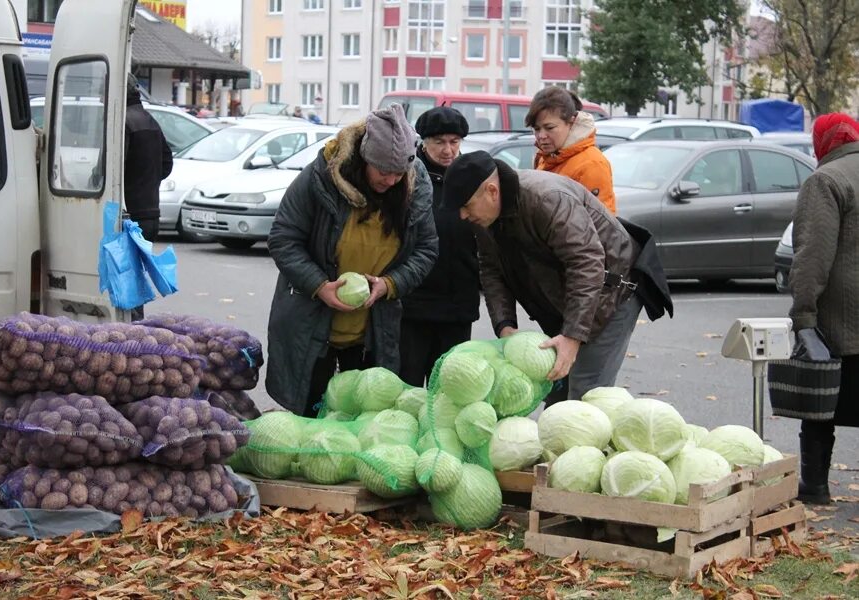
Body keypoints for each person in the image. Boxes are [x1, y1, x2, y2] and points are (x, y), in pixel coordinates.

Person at [442, 151, 672, 400]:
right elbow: (491, 267)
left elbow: (586, 263)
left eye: (466, 206)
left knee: (586, 394)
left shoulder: (547, 199)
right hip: (566, 298)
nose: (463, 216)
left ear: (492, 191)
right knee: (555, 386)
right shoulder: (485, 216)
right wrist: (505, 325)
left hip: (611, 294)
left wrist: (572, 337)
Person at [266, 103, 438, 417]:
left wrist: (389, 284)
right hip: (313, 325)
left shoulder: (414, 187)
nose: (391, 180)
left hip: (373, 331)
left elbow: (426, 249)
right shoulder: (323, 176)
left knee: (361, 418)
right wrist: (319, 285)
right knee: (313, 413)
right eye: (384, 171)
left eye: (399, 173)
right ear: (364, 160)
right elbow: (283, 237)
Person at [788, 113, 859, 505]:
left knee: (818, 409)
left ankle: (814, 489)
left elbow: (812, 256)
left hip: (842, 318)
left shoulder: (826, 181)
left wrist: (803, 316)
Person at [399, 107, 479, 386]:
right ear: (423, 141)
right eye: (440, 142)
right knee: (406, 388)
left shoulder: (472, 176)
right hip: (412, 307)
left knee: (446, 390)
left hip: (458, 307)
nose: (448, 150)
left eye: (454, 142)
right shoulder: (406, 177)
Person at [527, 86, 616, 215]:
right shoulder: (544, 157)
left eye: (549, 128)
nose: (541, 136)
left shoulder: (592, 164)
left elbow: (600, 225)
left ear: (571, 122)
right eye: (537, 129)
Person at [124, 73, 173, 243]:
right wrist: (148, 182)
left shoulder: (122, 122)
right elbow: (167, 164)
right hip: (151, 211)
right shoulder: (150, 121)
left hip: (129, 215)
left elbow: (112, 169)